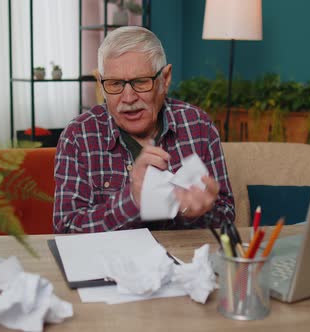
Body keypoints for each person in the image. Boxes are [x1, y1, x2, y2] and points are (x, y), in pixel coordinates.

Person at [53, 26, 234, 233]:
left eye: (140, 82)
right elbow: (66, 229)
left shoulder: (199, 126)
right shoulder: (78, 136)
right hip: (110, 263)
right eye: (114, 84)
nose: (128, 98)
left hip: (183, 261)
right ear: (102, 85)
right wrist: (133, 199)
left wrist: (194, 212)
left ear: (165, 80)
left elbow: (226, 213)